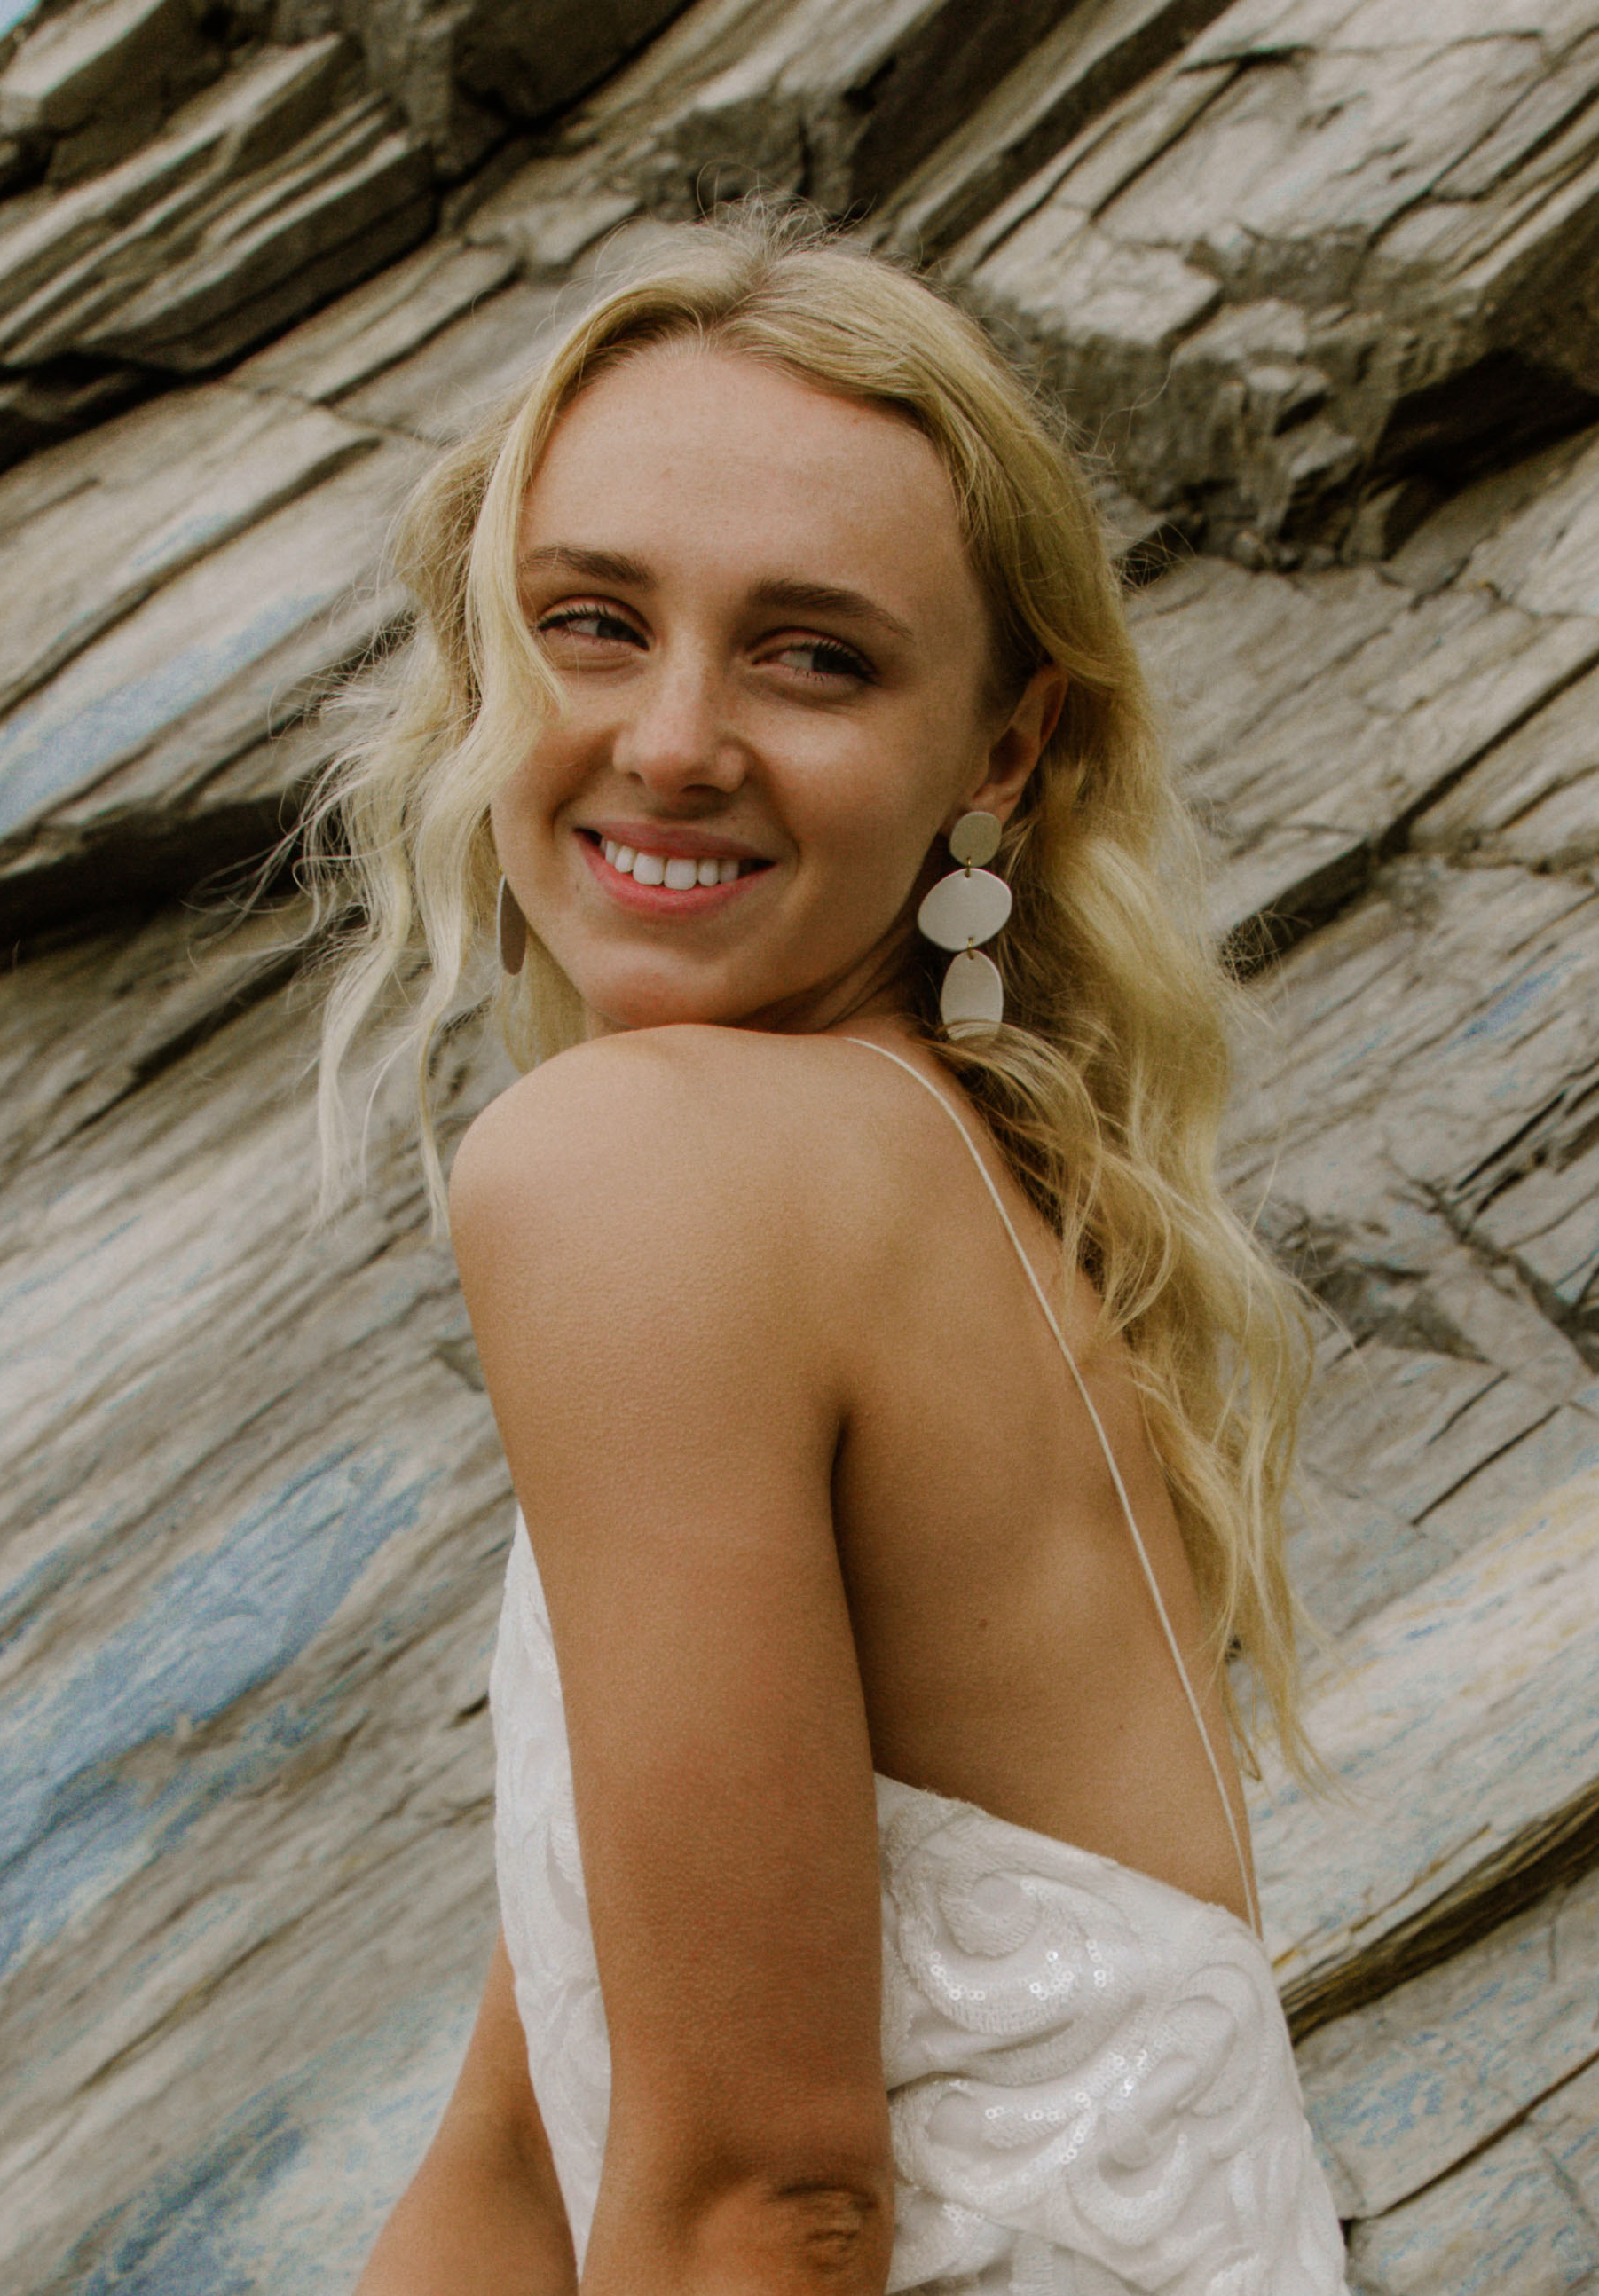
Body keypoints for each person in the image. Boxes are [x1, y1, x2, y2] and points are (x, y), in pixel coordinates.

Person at [314, 206, 1348, 2295]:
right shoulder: (916, 1172)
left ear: (1002, 748)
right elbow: (516, 2156)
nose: (675, 737)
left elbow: (767, 2205)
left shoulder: (646, 1166)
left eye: (814, 655)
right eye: (590, 621)